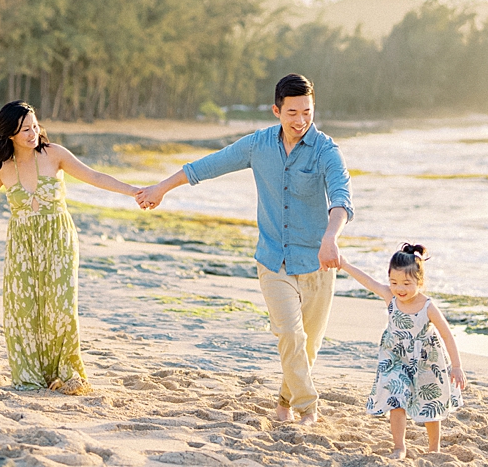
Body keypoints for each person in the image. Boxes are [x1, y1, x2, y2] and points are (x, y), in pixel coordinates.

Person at [136, 73, 353, 425]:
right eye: (293, 113)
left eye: (307, 113)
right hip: (272, 260)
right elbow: (208, 166)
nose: (300, 121)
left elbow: (342, 196)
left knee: (306, 346)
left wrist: (331, 236)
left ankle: (284, 403)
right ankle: (308, 409)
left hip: (316, 262)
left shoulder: (327, 150)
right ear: (276, 111)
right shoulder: (258, 145)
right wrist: (162, 187)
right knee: (289, 334)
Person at [0, 101, 143, 394]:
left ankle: (67, 372)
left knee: (60, 306)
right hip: (23, 244)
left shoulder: (54, 154)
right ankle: (31, 376)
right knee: (23, 309)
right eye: (24, 129)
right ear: (9, 133)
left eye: (34, 126)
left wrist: (134, 191)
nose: (32, 133)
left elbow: (94, 176)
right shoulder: (1, 168)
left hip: (59, 238)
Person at [338, 243, 466, 458]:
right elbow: (368, 281)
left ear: (420, 282)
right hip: (396, 357)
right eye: (394, 282)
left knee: (430, 405)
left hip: (427, 360)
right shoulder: (391, 297)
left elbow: (446, 334)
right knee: (396, 397)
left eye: (407, 283)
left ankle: (434, 448)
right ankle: (399, 446)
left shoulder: (428, 306)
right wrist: (344, 264)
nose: (400, 288)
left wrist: (457, 366)